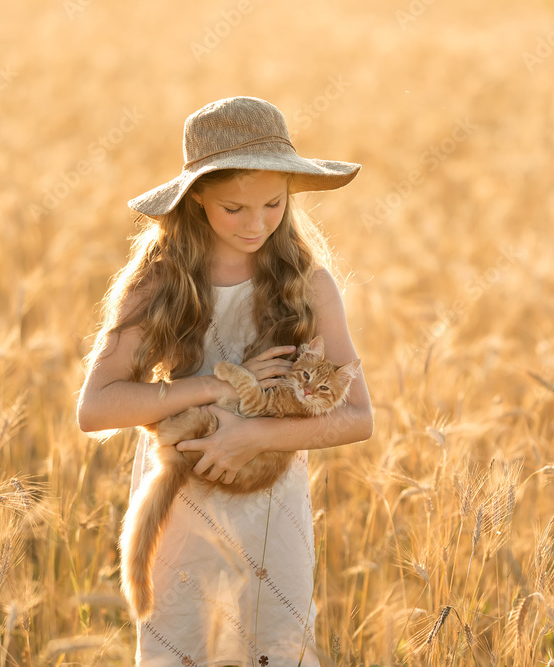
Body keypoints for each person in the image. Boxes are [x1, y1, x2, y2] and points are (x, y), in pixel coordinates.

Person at [76, 96, 372, 667]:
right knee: (182, 648)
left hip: (273, 513)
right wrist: (214, 386)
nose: (257, 223)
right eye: (234, 207)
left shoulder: (310, 286)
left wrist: (253, 437)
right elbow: (96, 409)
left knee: (274, 650)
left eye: (273, 204)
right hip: (182, 511)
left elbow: (358, 416)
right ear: (195, 202)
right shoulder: (156, 285)